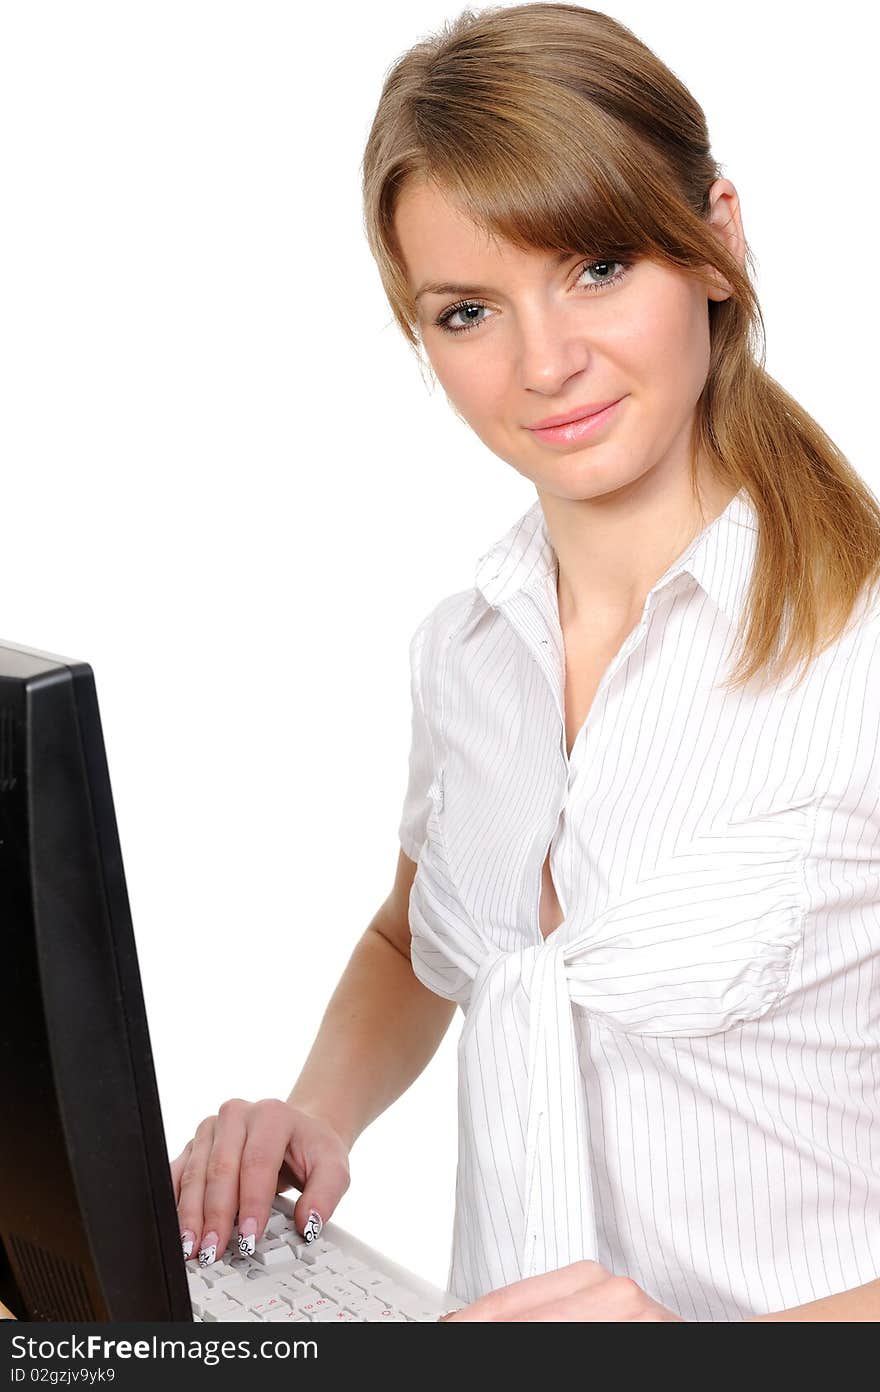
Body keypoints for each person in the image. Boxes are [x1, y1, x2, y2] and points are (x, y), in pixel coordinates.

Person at [171, 3, 880, 1320]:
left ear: (717, 242)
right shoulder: (469, 649)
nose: (545, 363)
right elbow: (419, 938)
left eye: (600, 265)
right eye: (466, 310)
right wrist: (312, 1121)